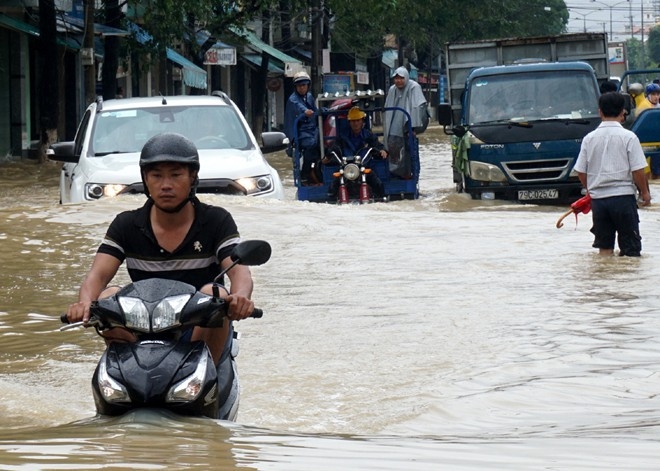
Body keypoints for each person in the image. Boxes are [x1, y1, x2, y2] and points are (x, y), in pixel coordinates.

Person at [64, 132, 255, 366]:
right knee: (106, 297)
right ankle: (127, 372)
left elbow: (239, 272)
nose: (166, 185)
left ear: (192, 177)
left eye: (176, 175)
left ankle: (207, 375)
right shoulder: (126, 225)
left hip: (198, 329)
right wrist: (84, 304)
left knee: (215, 293)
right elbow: (97, 275)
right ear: (145, 179)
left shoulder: (216, 221)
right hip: (141, 329)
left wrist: (240, 298)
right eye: (156, 176)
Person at [574, 92, 651, 257]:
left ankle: (605, 280)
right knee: (631, 251)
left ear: (600, 112)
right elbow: (638, 171)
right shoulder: (629, 137)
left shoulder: (589, 138)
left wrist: (590, 189)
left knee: (605, 251)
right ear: (623, 112)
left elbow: (580, 171)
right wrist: (645, 193)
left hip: (599, 203)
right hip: (623, 199)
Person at [328, 106, 387, 199]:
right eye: (353, 121)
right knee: (333, 186)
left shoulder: (368, 135)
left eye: (358, 120)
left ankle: (381, 200)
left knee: (377, 183)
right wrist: (329, 155)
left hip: (364, 167)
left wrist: (382, 150)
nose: (355, 123)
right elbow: (334, 148)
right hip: (346, 168)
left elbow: (377, 145)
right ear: (349, 123)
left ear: (362, 121)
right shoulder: (343, 136)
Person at [383, 66, 428, 179]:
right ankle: (394, 174)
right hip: (395, 125)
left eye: (401, 78)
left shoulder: (414, 87)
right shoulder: (392, 89)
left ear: (406, 78)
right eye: (396, 78)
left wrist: (413, 127)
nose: (398, 81)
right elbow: (387, 108)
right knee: (393, 148)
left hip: (408, 127)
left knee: (409, 152)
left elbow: (418, 107)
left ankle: (409, 175)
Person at [284, 71, 322, 184]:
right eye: (299, 86)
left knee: (325, 144)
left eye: (304, 85)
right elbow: (299, 107)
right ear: (295, 87)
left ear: (308, 86)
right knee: (311, 144)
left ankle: (317, 171)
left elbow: (314, 110)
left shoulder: (309, 96)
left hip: (312, 129)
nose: (301, 88)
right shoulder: (293, 99)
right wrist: (305, 112)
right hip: (299, 132)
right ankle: (305, 174)